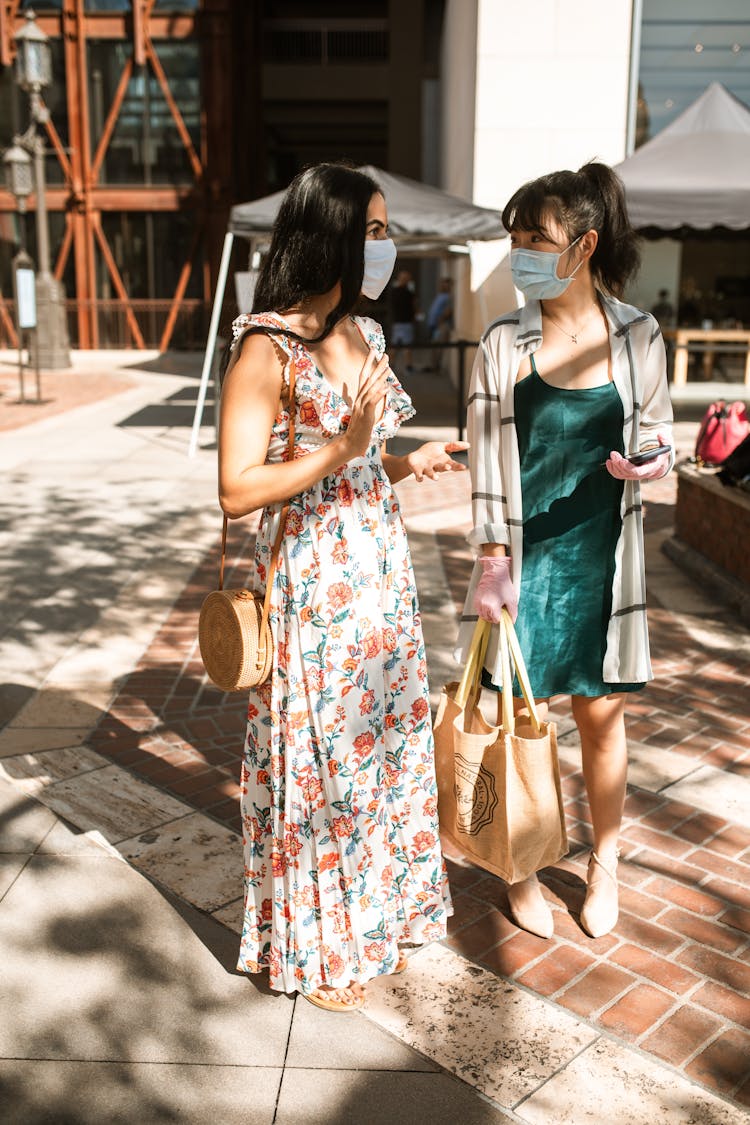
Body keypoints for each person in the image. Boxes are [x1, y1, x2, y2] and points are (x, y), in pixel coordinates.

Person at [219, 163, 464, 1012]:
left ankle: (375, 915)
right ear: (329, 235)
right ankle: (318, 943)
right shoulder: (266, 346)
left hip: (378, 575)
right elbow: (236, 487)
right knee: (319, 755)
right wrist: (342, 446)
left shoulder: (364, 335)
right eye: (374, 230)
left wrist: (403, 459)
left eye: (387, 229)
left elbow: (364, 459)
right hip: (311, 580)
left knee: (383, 746)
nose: (386, 247)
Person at [457, 162, 673, 941]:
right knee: (526, 719)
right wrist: (488, 560)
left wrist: (650, 462)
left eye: (534, 238)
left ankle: (605, 861)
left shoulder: (639, 334)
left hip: (604, 557)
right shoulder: (501, 341)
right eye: (513, 238)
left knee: (602, 719)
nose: (519, 252)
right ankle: (521, 865)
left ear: (582, 246)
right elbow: (485, 458)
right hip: (522, 561)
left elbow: (658, 436)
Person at [389, 268, 417, 372]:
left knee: (394, 346)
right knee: (407, 346)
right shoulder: (409, 293)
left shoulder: (394, 292)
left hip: (397, 322)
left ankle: (390, 366)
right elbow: (414, 306)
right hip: (406, 322)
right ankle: (408, 367)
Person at [426, 277, 454, 371]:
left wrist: (440, 321)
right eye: (442, 284)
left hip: (441, 325)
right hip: (434, 325)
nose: (443, 286)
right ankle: (433, 365)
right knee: (433, 346)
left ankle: (436, 366)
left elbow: (448, 311)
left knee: (438, 347)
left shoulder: (448, 297)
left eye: (445, 284)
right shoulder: (440, 295)